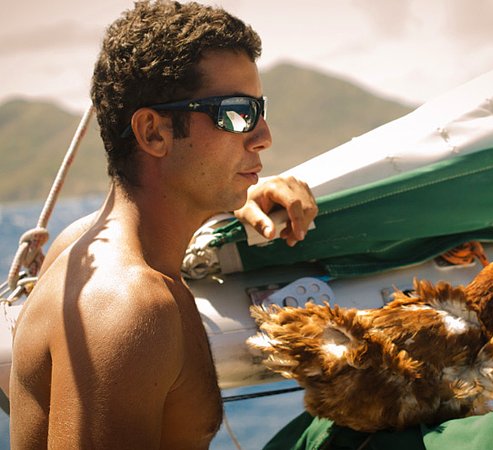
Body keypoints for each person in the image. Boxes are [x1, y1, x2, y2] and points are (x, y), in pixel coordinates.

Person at [9, 1, 317, 448]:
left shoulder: (78, 244)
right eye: (236, 112)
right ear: (154, 133)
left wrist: (237, 194)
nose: (263, 134)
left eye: (259, 108)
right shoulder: (129, 307)